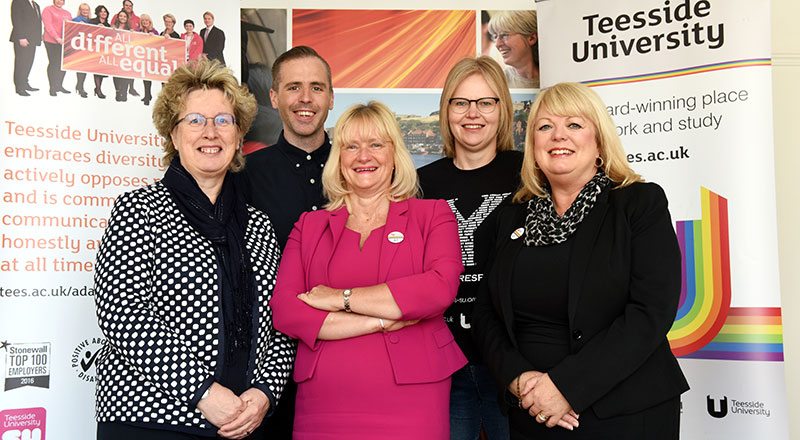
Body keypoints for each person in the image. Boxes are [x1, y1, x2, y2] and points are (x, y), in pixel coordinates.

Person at [472, 82, 689, 439]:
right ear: (533, 146)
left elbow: (651, 311)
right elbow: (485, 314)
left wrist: (566, 387)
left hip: (624, 413)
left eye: (574, 125)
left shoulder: (639, 204)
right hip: (533, 411)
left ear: (599, 142)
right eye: (545, 127)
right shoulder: (510, 218)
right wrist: (520, 381)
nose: (559, 136)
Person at [94, 59, 294, 440]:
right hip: (149, 419)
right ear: (173, 133)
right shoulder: (139, 209)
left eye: (223, 120)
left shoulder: (259, 225)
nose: (211, 132)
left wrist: (265, 392)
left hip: (244, 422)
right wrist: (201, 392)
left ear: (238, 135)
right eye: (195, 120)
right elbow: (122, 314)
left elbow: (282, 319)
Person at [270, 101, 467, 439]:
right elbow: (286, 311)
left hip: (414, 397)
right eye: (351, 146)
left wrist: (339, 298)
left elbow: (438, 289)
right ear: (339, 157)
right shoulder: (309, 225)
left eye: (376, 144)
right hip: (324, 401)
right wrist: (380, 320)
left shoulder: (433, 215)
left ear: (394, 153)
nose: (364, 156)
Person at [418, 56, 522, 440]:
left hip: (513, 363)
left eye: (485, 102)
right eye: (460, 102)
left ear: (502, 109)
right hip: (445, 362)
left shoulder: (529, 174)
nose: (472, 113)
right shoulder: (419, 185)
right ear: (446, 111)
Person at [242, 45, 334, 439]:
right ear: (274, 97)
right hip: (265, 365)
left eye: (316, 87)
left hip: (347, 354)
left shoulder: (361, 168)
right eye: (293, 87)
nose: (305, 99)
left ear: (331, 96)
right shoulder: (244, 174)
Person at [488, 10, 539, 89]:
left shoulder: (553, 78)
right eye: (495, 37)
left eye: (504, 35)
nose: (497, 44)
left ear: (531, 38)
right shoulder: (498, 82)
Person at [10, 0, 43, 96]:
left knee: (29, 62)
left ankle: (25, 83)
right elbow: (16, 19)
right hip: (22, 39)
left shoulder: (36, 5)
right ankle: (19, 87)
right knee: (21, 63)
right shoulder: (18, 1)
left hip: (33, 39)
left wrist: (38, 38)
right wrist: (21, 37)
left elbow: (37, 22)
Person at [41, 0, 71, 96]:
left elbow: (71, 27)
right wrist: (57, 38)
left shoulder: (67, 13)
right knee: (54, 63)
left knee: (63, 64)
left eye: (61, 0)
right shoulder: (48, 10)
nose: (59, 1)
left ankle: (59, 85)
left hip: (64, 42)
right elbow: (48, 25)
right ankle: (52, 87)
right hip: (51, 41)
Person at [88, 5, 110, 99]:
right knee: (96, 70)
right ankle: (98, 89)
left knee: (101, 70)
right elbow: (87, 32)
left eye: (105, 11)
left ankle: (98, 88)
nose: (103, 13)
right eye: (101, 11)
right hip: (94, 48)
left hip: (104, 50)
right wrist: (96, 28)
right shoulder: (92, 22)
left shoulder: (108, 25)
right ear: (98, 13)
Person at [111, 10, 134, 101]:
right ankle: (117, 91)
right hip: (115, 53)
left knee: (125, 73)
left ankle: (124, 92)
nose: (122, 18)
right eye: (121, 16)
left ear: (127, 18)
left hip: (126, 54)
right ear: (118, 17)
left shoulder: (130, 30)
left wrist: (133, 33)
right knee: (116, 73)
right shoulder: (113, 27)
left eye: (124, 16)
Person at [138, 13, 158, 105]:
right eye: (143, 21)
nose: (145, 22)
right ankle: (147, 95)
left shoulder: (154, 31)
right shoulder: (139, 31)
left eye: (146, 20)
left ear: (150, 22)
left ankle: (148, 96)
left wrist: (153, 37)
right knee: (144, 77)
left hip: (151, 58)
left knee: (148, 76)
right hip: (141, 57)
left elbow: (159, 43)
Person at [71, 3, 90, 98]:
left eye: (87, 9)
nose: (85, 11)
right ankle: (80, 87)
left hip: (88, 47)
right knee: (81, 68)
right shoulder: (76, 20)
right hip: (79, 47)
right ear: (80, 10)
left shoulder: (91, 21)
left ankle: (79, 85)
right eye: (83, 9)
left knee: (85, 68)